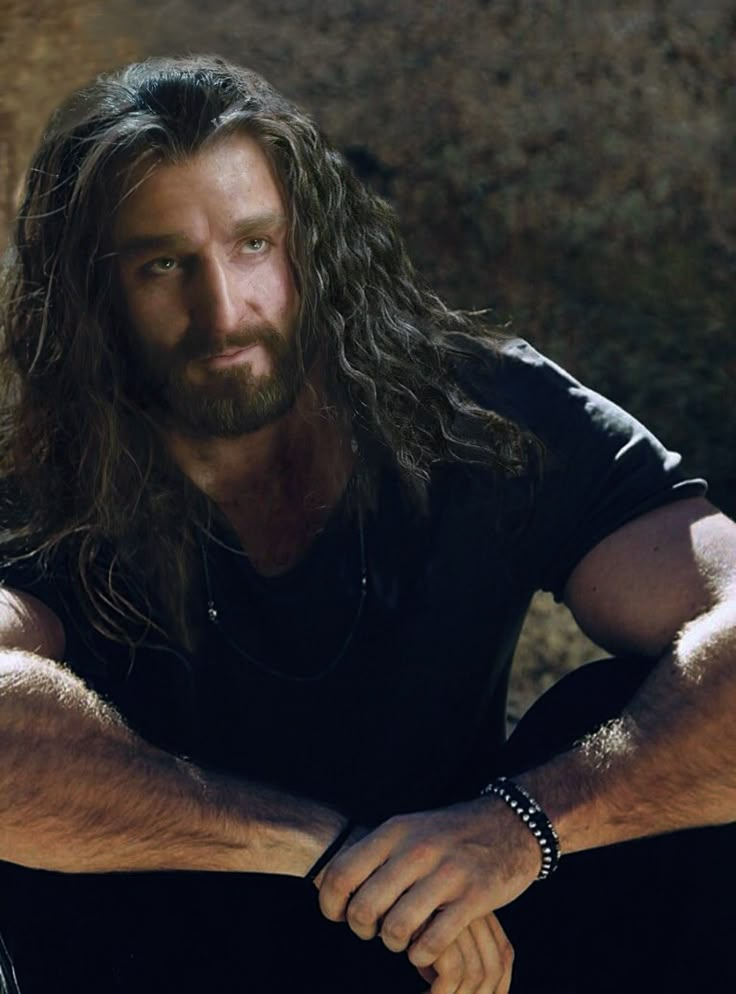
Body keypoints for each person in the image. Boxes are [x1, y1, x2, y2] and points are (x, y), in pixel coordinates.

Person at [0, 54, 733, 994]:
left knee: (628, 720)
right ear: (94, 297)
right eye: (164, 265)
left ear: (312, 242)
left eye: (254, 245)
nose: (224, 311)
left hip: (459, 958)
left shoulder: (480, 414)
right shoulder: (48, 473)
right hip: (144, 962)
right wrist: (319, 847)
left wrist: (523, 829)